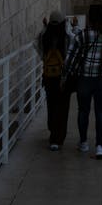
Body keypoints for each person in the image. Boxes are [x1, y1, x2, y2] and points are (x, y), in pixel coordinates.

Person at [63, 3, 102, 160]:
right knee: (101, 111)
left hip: (84, 78)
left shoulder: (82, 36)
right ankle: (100, 146)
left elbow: (71, 59)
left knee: (83, 110)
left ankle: (83, 142)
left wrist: (67, 74)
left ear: (90, 18)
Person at [37, 10, 77, 151]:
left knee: (51, 104)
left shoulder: (45, 37)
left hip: (48, 77)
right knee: (62, 107)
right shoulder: (67, 37)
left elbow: (39, 50)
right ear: (63, 23)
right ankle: (58, 137)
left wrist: (45, 28)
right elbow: (74, 43)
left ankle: (52, 133)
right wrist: (73, 27)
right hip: (63, 77)